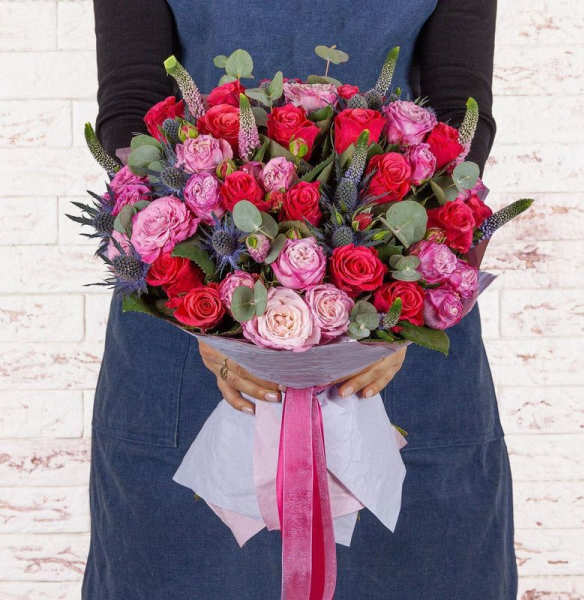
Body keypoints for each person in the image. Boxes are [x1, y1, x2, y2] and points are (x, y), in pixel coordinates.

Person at [84, 0, 517, 598]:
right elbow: (133, 102)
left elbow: (460, 112)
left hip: (400, 303)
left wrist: (399, 316)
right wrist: (206, 319)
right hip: (191, 291)